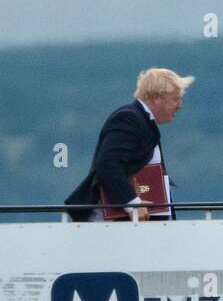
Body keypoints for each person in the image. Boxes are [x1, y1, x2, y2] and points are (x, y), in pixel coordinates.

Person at [65, 68, 193, 222]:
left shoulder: (143, 121)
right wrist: (132, 203)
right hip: (113, 225)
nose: (180, 105)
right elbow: (107, 164)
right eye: (175, 99)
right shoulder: (129, 119)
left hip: (133, 222)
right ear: (156, 98)